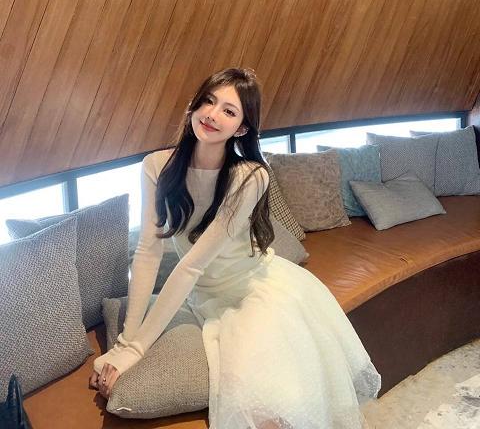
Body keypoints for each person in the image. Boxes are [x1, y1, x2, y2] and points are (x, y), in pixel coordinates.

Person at [89, 67, 381, 428]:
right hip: (202, 296)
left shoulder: (250, 176)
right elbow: (148, 252)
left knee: (265, 408)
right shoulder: (156, 166)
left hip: (252, 292)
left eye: (229, 111)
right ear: (194, 106)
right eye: (208, 102)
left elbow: (190, 265)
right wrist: (125, 343)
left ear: (242, 128)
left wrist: (135, 350)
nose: (212, 115)